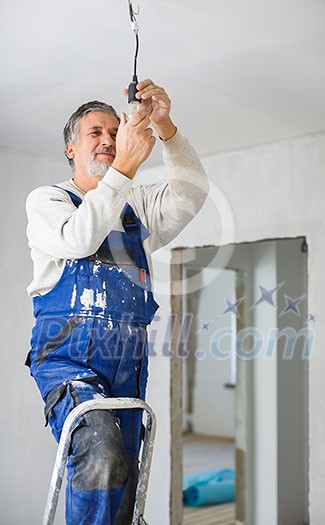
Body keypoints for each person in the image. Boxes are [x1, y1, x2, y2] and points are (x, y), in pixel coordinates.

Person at [25, 78, 209, 525]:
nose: (108, 140)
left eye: (114, 131)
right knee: (101, 453)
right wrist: (125, 166)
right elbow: (80, 237)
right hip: (67, 361)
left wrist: (166, 129)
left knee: (123, 479)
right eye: (96, 133)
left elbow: (191, 194)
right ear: (71, 149)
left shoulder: (135, 209)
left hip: (127, 367)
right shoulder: (49, 201)